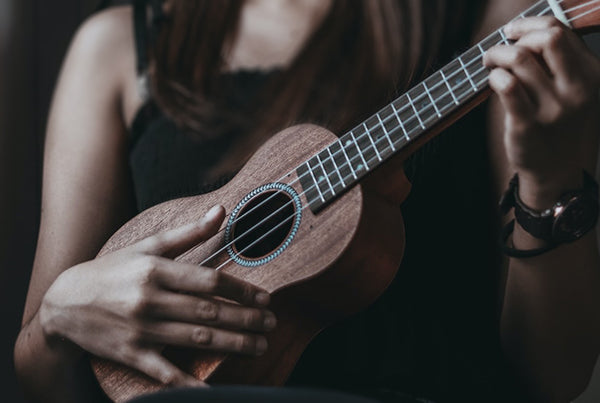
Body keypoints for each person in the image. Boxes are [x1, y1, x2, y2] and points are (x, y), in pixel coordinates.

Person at [13, 0, 600, 402]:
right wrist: (62, 312)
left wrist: (551, 177)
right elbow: (40, 377)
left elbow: (553, 377)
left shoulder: (500, 29)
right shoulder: (113, 47)